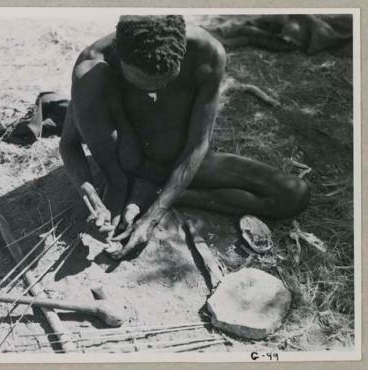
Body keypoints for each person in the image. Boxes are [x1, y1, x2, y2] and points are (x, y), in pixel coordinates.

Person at [59, 15, 309, 259]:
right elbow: (69, 145)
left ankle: (158, 194)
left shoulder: (207, 54)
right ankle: (121, 186)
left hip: (178, 160)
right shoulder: (94, 63)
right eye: (142, 83)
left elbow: (198, 145)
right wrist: (91, 195)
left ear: (182, 54)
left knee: (293, 194)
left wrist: (155, 212)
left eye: (164, 82)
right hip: (125, 162)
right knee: (88, 75)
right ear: (119, 53)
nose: (154, 91)